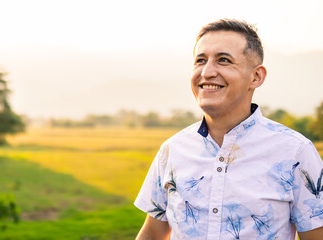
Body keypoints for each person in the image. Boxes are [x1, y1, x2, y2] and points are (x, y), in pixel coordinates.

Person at [134, 19, 323, 240]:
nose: (207, 72)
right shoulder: (172, 150)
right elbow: (152, 233)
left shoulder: (295, 153)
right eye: (200, 60)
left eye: (223, 60)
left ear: (256, 76)